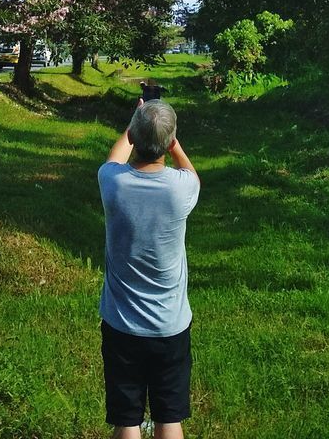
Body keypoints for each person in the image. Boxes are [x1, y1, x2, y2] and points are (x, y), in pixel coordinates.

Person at [98, 97, 200, 439]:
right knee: (169, 419)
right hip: (170, 327)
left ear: (133, 137)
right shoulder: (182, 188)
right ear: (170, 143)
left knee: (126, 421)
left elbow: (115, 157)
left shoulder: (112, 182)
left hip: (121, 326)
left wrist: (133, 125)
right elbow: (189, 171)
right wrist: (172, 142)